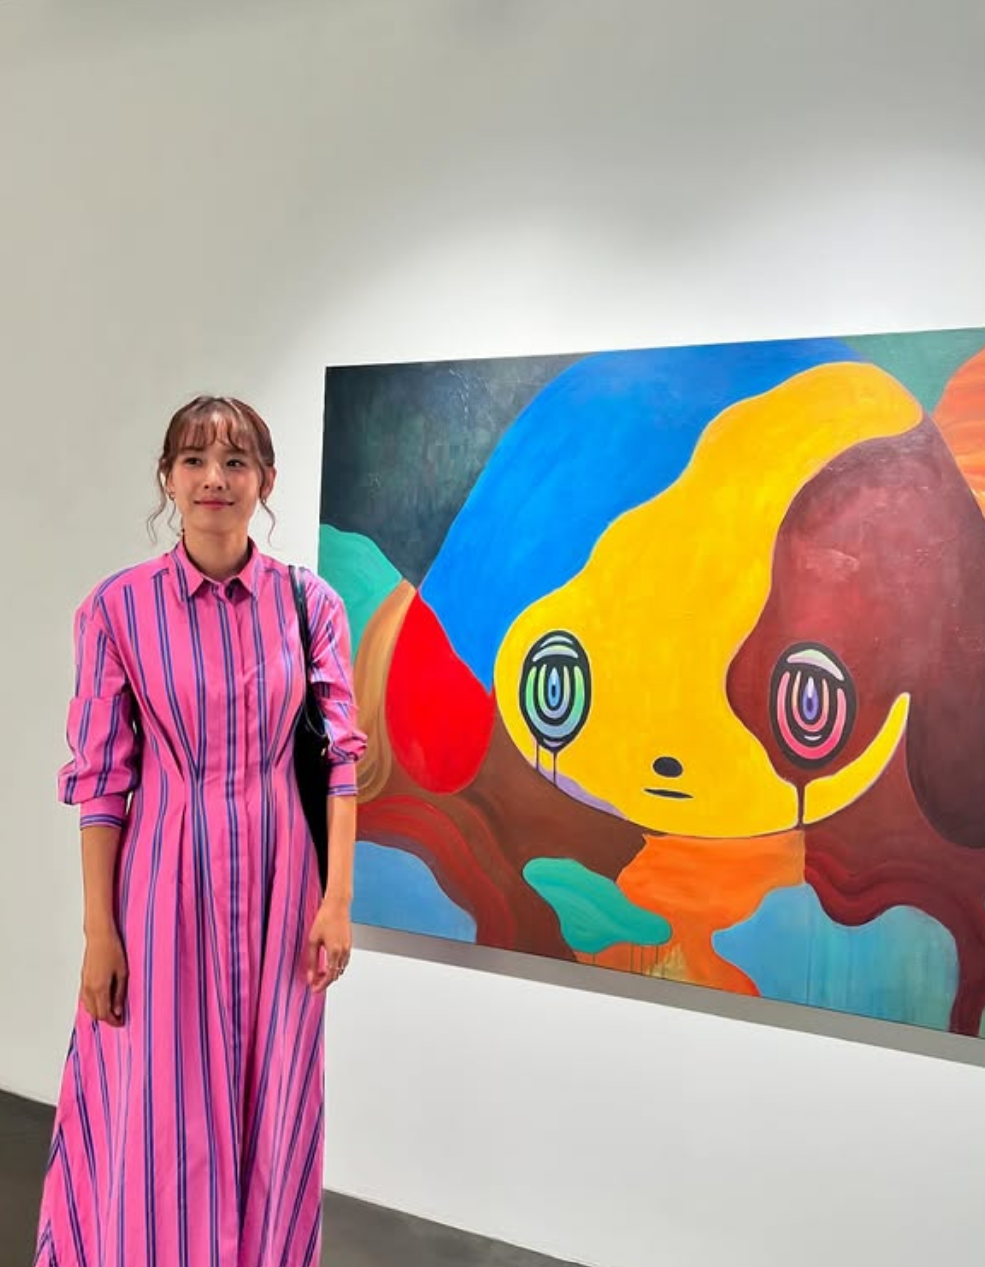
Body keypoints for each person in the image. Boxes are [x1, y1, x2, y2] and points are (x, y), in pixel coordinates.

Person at [34, 395, 367, 1267]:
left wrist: (337, 901)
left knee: (275, 1093)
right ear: (168, 477)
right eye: (193, 460)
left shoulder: (310, 603)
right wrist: (100, 931)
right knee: (157, 1097)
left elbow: (340, 760)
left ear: (266, 480)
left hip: (282, 884)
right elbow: (101, 782)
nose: (214, 478)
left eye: (235, 461)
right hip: (162, 883)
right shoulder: (116, 609)